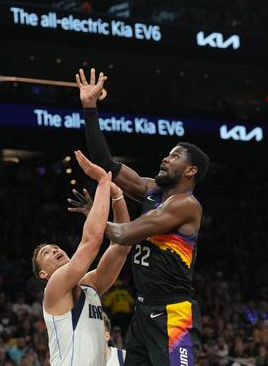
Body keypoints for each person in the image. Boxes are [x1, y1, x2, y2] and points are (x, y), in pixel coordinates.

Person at [76, 68, 209, 366]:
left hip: (174, 313)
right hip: (144, 311)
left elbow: (123, 234)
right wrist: (90, 108)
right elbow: (106, 163)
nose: (165, 158)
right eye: (167, 153)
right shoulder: (150, 189)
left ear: (190, 171)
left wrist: (93, 215)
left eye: (174, 156)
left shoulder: (186, 206)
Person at [32, 151, 131, 366]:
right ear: (43, 274)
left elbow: (122, 245)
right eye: (46, 253)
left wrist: (117, 196)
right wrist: (104, 182)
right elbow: (91, 243)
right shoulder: (54, 290)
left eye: (55, 247)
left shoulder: (91, 286)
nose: (54, 250)